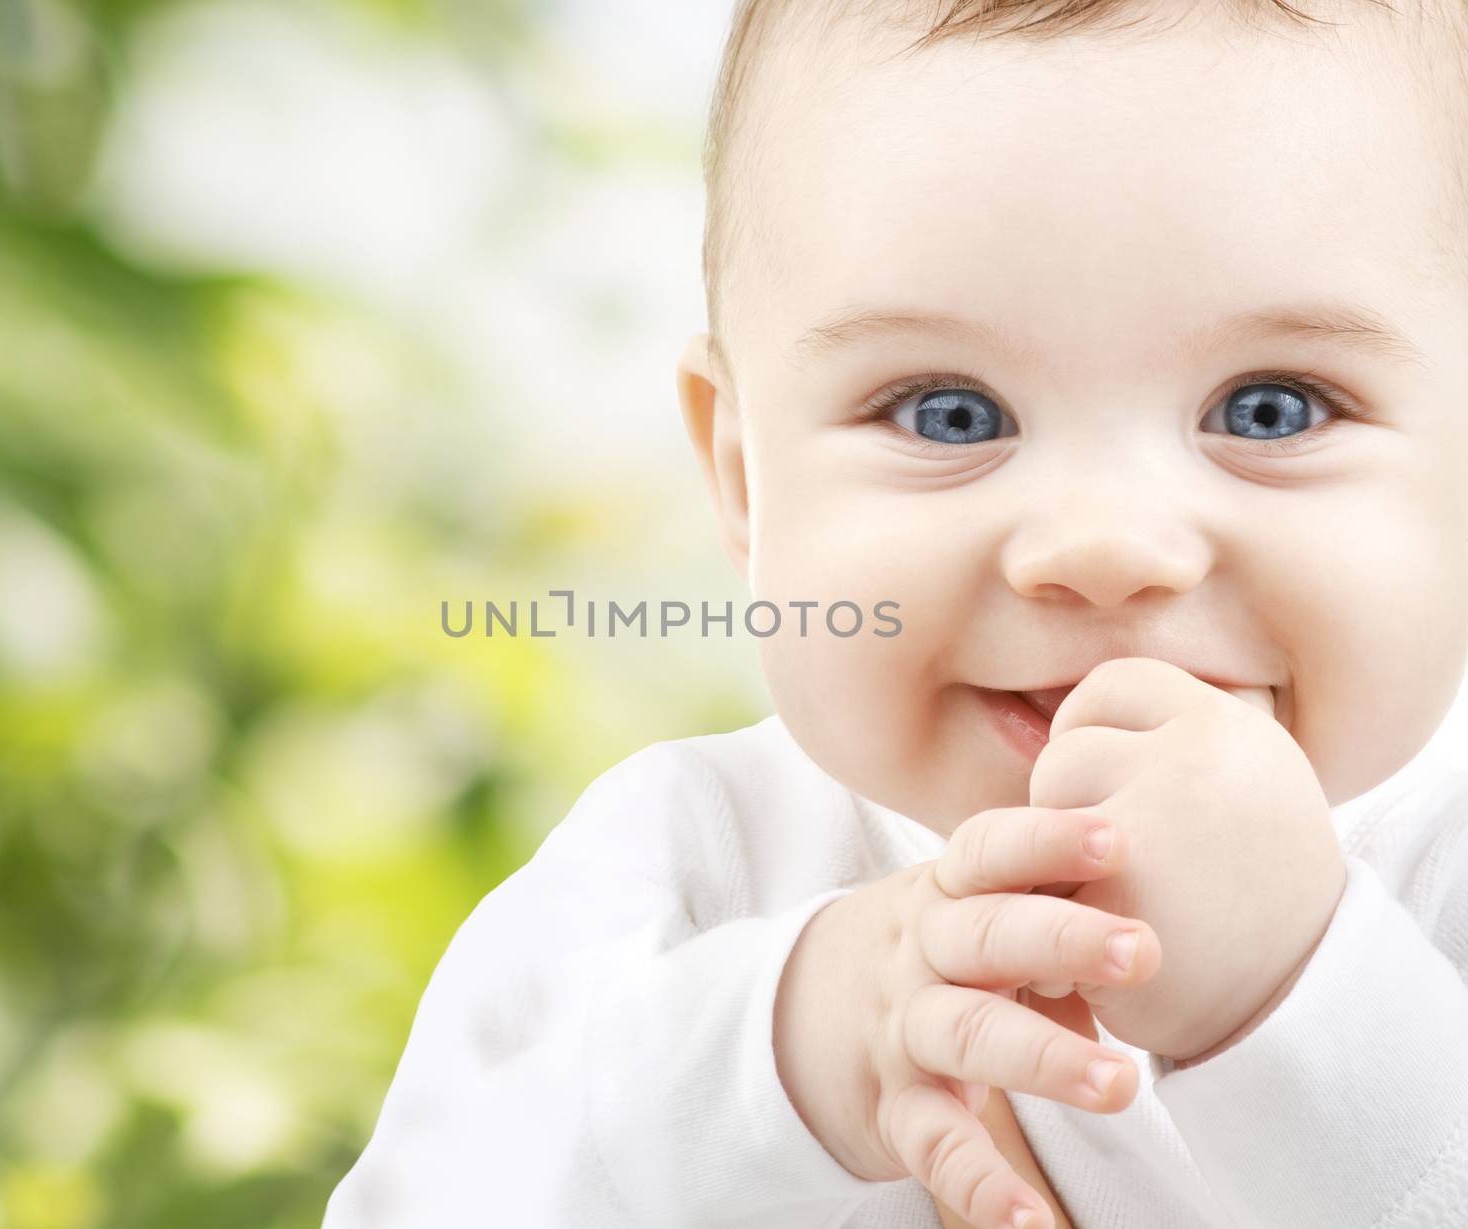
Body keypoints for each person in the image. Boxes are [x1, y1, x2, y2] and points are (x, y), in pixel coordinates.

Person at [324, 1, 1468, 1225]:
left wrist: (1300, 994)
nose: (1100, 549)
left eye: (1270, 409)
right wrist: (776, 1063)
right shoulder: (683, 875)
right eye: (949, 414)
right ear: (746, 481)